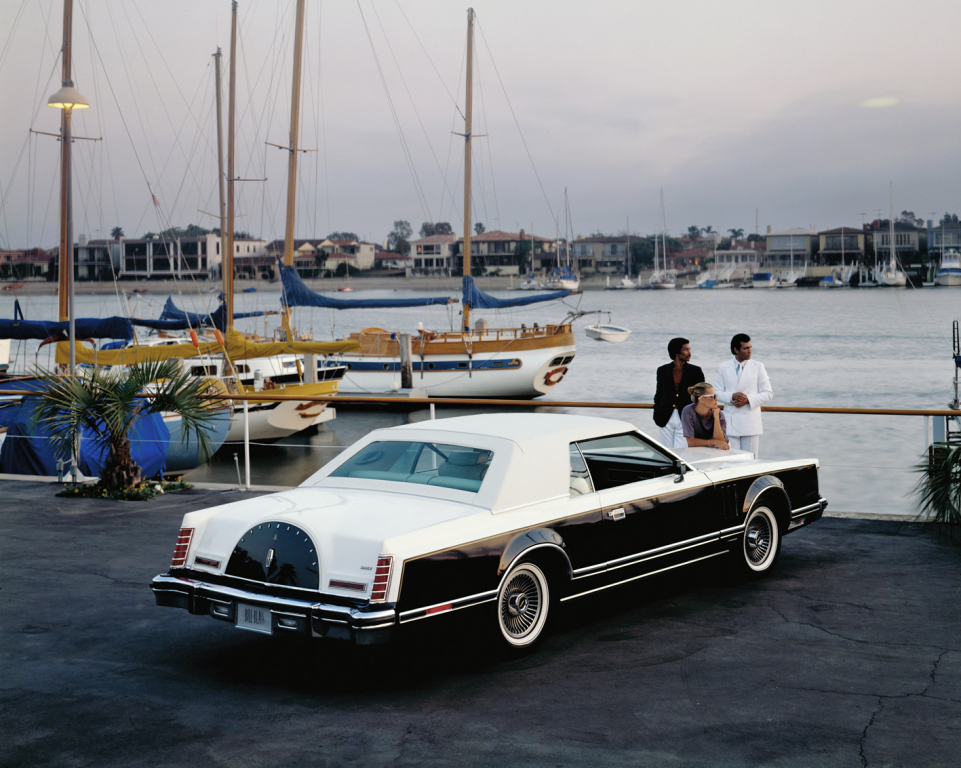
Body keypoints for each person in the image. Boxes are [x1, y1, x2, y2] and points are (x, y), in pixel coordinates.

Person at [714, 333, 773, 457]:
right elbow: (717, 392)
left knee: (750, 461)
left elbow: (768, 394)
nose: (750, 351)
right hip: (731, 423)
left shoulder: (758, 366)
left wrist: (747, 400)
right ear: (736, 350)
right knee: (731, 461)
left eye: (750, 347)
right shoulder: (724, 367)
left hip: (750, 422)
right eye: (746, 348)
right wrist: (732, 396)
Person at [653, 337, 704, 450]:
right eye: (686, 349)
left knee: (682, 452)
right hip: (665, 417)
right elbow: (659, 395)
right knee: (666, 452)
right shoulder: (662, 370)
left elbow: (701, 397)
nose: (689, 353)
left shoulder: (696, 371)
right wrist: (658, 412)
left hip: (686, 417)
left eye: (689, 349)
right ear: (676, 352)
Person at [680, 383, 729, 450]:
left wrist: (716, 418)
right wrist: (713, 442)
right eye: (713, 396)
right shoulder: (688, 411)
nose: (717, 399)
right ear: (702, 399)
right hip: (697, 451)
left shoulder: (718, 413)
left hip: (717, 450)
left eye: (716, 395)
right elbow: (691, 442)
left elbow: (720, 441)